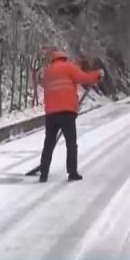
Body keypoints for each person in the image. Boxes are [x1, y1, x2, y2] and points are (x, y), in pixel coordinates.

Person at [37, 50, 103, 183]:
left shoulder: (48, 71)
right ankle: (72, 172)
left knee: (49, 143)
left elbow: (42, 82)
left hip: (51, 114)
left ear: (53, 59)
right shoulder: (69, 67)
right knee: (71, 143)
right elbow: (84, 78)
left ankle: (43, 173)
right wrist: (98, 74)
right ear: (64, 58)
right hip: (66, 112)